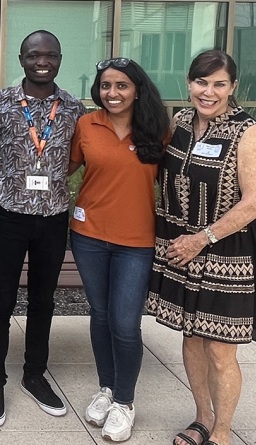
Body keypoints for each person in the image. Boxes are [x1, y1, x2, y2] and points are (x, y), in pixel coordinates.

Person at [0, 29, 86, 426]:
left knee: (43, 301)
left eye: (49, 55)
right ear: (22, 58)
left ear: (60, 59)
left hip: (52, 218)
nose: (42, 61)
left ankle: (34, 375)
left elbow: (80, 154)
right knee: (1, 301)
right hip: (10, 217)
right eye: (34, 55)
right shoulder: (0, 102)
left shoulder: (73, 107)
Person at [147, 50, 256, 445]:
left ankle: (223, 433)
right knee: (191, 339)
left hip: (225, 254)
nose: (208, 92)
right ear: (188, 83)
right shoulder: (179, 123)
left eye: (218, 84)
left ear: (233, 87)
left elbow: (253, 202)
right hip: (181, 249)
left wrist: (202, 238)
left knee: (220, 349)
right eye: (201, 82)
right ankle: (202, 418)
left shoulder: (247, 131)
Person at [67, 58, 169, 442]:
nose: (113, 93)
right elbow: (68, 168)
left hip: (137, 242)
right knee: (101, 314)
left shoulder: (159, 131)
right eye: (106, 86)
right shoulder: (86, 124)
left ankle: (125, 402)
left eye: (121, 86)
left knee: (125, 325)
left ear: (137, 89)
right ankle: (107, 389)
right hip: (88, 235)